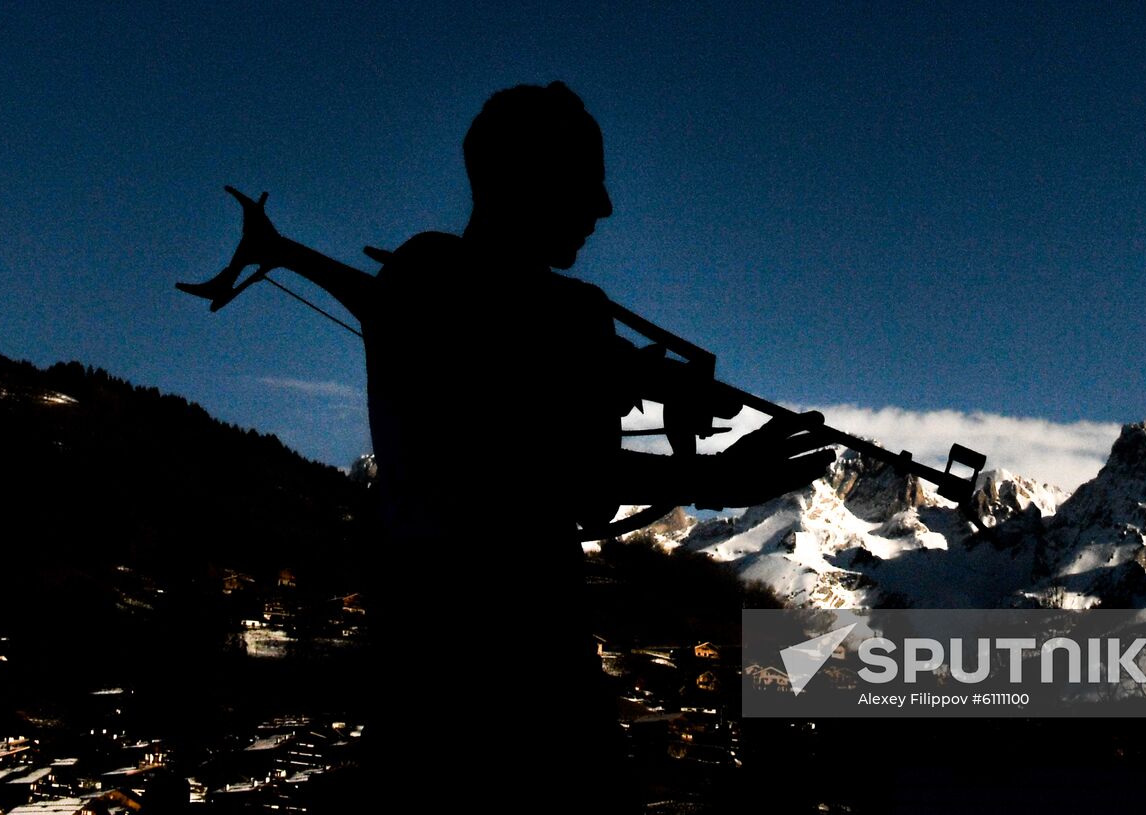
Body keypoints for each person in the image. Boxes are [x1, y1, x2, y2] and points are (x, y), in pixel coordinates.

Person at [179, 81, 833, 808]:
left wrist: (617, 395)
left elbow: (517, 430)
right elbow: (572, 485)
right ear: (530, 179)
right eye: (587, 183)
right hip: (530, 677)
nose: (603, 207)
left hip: (420, 679)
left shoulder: (425, 275)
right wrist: (706, 475)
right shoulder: (558, 311)